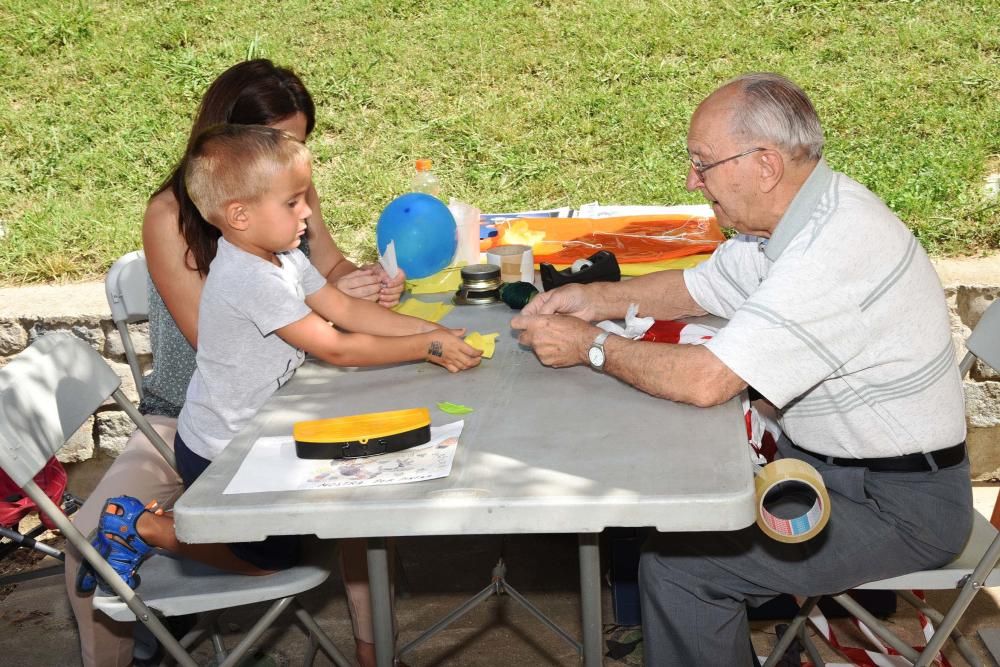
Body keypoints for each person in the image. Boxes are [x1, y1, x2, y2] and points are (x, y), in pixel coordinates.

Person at [511, 72, 972, 665]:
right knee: (676, 501)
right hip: (834, 472)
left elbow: (707, 381)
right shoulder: (796, 219)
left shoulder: (830, 248)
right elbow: (697, 287)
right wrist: (593, 300)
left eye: (702, 164)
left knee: (682, 568)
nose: (692, 181)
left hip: (898, 506)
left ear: (764, 165)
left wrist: (591, 346)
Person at [64, 59, 407, 667]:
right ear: (234, 141)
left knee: (362, 488)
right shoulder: (170, 215)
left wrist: (368, 283)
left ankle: (372, 652)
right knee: (84, 545)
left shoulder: (280, 187)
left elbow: (327, 266)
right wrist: (334, 324)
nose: (291, 154)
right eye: (281, 140)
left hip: (285, 399)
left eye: (298, 143)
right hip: (185, 420)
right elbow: (213, 340)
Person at [79, 123, 480, 629]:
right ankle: (144, 527)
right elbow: (336, 346)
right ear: (240, 215)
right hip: (226, 451)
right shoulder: (249, 277)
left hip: (262, 433)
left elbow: (345, 309)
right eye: (293, 203)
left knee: (332, 513)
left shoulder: (283, 257)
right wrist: (425, 345)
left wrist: (428, 329)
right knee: (277, 560)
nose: (308, 212)